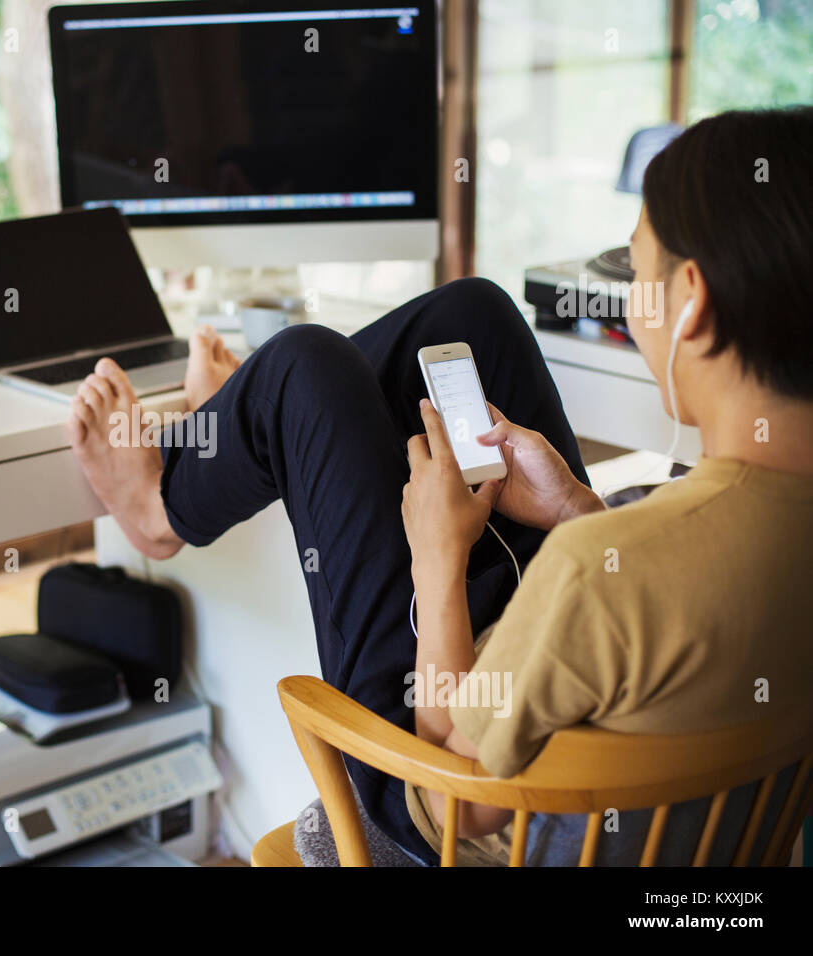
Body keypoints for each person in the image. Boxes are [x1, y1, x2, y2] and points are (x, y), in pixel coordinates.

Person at [66, 107, 813, 865]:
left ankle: (166, 503)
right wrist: (576, 513)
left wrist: (437, 556)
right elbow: (651, 601)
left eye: (633, 271)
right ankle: (244, 425)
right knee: (473, 313)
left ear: (692, 305)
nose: (627, 303)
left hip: (441, 816)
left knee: (303, 364)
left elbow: (464, 793)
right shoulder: (642, 544)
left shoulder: (598, 566)